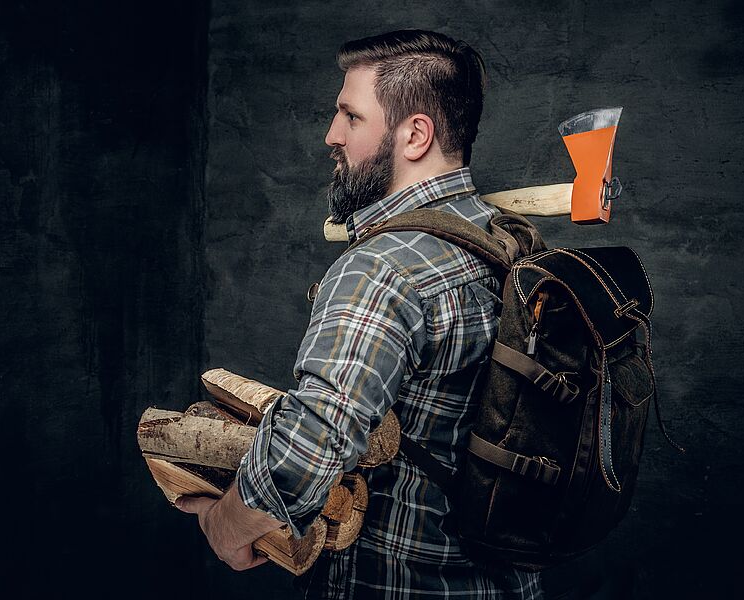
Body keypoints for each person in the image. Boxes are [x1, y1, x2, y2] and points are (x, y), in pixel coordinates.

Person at [175, 30, 543, 599]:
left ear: (414, 134)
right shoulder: (511, 243)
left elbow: (309, 447)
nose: (332, 135)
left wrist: (226, 525)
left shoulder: (382, 267)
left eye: (351, 115)